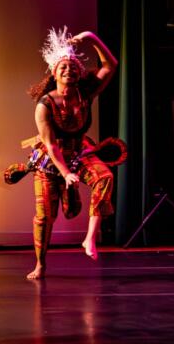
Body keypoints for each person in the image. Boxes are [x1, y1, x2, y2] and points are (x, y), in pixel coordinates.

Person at [8, 28, 120, 280]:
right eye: (63, 67)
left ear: (79, 72)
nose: (68, 70)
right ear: (54, 73)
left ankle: (90, 238)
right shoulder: (45, 105)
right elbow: (51, 145)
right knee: (45, 216)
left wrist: (90, 37)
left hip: (79, 152)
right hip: (51, 161)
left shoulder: (86, 93)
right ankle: (40, 264)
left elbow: (110, 64)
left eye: (72, 67)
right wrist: (66, 173)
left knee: (105, 177)